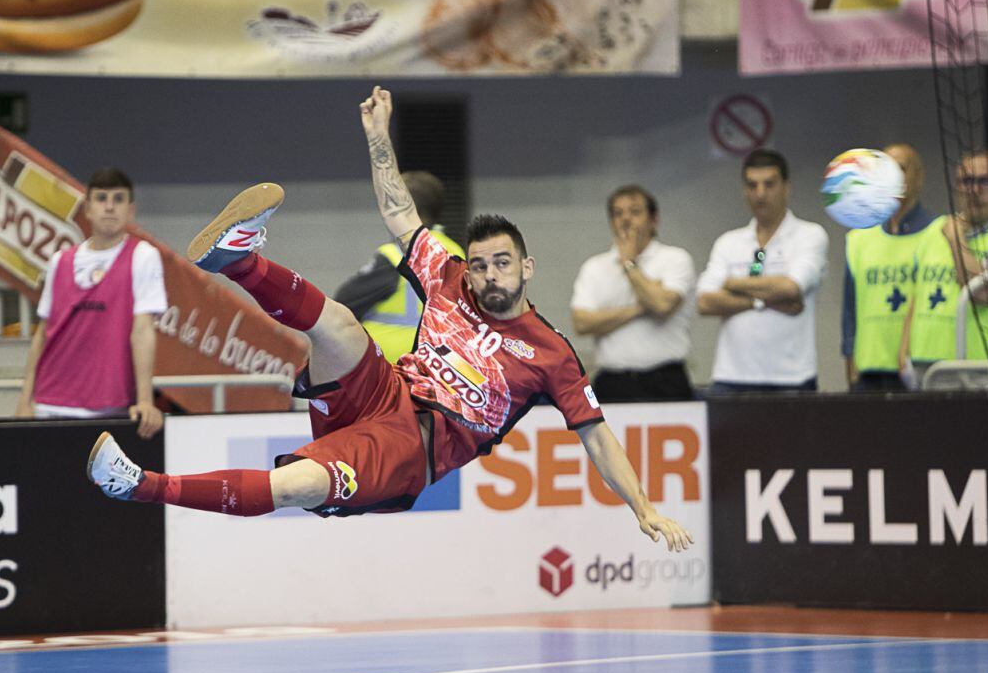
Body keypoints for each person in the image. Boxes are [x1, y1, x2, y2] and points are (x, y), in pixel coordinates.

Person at [86, 86, 692, 553]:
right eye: (479, 264)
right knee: (342, 323)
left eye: (501, 263)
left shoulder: (551, 353)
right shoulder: (449, 279)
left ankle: (140, 485)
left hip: (410, 449)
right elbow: (401, 213)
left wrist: (642, 507)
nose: (487, 275)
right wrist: (379, 136)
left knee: (295, 486)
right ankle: (240, 261)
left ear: (527, 268)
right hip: (384, 390)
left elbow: (597, 434)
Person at [16, 168, 166, 439]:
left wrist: (145, 400)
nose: (110, 206)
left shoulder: (143, 257)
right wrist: (25, 401)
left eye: (118, 199)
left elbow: (143, 331)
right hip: (51, 403)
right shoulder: (59, 261)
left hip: (111, 405)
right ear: (87, 208)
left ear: (130, 210)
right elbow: (42, 334)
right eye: (101, 198)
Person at [696, 149, 828, 393]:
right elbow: (704, 302)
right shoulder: (728, 242)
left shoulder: (810, 235)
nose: (760, 193)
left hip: (792, 379)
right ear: (744, 190)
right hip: (731, 378)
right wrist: (764, 301)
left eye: (769, 184)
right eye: (752, 185)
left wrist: (732, 283)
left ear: (786, 187)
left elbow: (791, 287)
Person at [570, 184, 695, 401]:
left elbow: (662, 305)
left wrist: (629, 264)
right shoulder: (595, 266)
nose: (626, 219)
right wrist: (639, 308)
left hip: (666, 381)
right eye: (618, 214)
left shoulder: (675, 259)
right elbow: (582, 323)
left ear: (654, 219)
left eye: (635, 212)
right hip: (612, 382)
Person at [334, 170, 465, 363]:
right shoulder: (457, 252)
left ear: (405, 211)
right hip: (442, 367)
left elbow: (342, 305)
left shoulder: (395, 255)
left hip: (393, 368)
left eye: (390, 207)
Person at [842, 143, 943, 392]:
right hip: (869, 373)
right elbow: (849, 311)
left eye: (901, 168)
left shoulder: (940, 232)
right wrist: (850, 364)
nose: (893, 176)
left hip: (918, 370)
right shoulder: (859, 238)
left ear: (918, 177)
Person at [900, 147, 988, 379]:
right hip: (925, 365)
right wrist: (903, 354)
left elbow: (981, 293)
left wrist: (956, 238)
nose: (974, 190)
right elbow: (916, 295)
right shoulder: (934, 230)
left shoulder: (955, 232)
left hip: (981, 366)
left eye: (985, 181)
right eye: (966, 181)